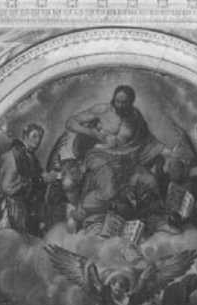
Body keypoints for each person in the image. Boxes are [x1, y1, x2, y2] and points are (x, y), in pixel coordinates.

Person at [65, 85, 165, 222]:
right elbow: (70, 123)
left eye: (124, 103)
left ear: (131, 102)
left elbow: (147, 141)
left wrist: (163, 155)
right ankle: (82, 210)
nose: (120, 105)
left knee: (150, 182)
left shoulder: (136, 118)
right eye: (118, 101)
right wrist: (94, 133)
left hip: (126, 159)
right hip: (99, 155)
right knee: (108, 191)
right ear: (113, 99)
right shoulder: (102, 110)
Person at [0, 123, 56, 235]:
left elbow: (38, 177)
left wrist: (47, 177)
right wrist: (40, 180)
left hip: (27, 209)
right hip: (11, 209)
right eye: (34, 136)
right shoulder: (12, 156)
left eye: (40, 137)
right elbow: (8, 187)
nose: (38, 140)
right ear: (25, 135)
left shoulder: (31, 157)